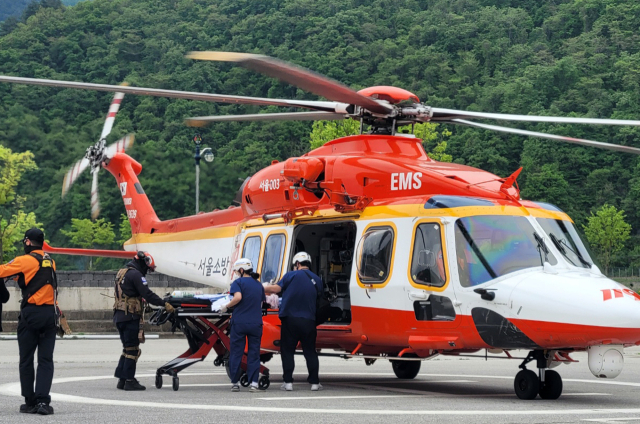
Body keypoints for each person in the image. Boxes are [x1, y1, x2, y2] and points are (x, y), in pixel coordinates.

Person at [0, 228, 57, 415]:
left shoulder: (23, 260)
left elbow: (2, 271)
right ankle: (43, 402)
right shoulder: (50, 261)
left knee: (26, 359)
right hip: (50, 314)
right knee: (45, 359)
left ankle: (30, 401)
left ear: (27, 242)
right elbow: (36, 279)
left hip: (31, 314)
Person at [113, 251, 174, 391]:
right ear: (143, 262)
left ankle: (122, 379)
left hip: (119, 316)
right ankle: (129, 380)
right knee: (133, 349)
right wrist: (164, 304)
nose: (147, 271)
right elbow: (147, 293)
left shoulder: (122, 272)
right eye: (147, 268)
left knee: (127, 348)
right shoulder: (136, 275)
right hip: (130, 317)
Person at [264, 251, 323, 391]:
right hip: (309, 321)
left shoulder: (290, 275)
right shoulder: (317, 279)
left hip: (290, 320)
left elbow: (276, 289)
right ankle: (315, 383)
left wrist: (260, 287)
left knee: (288, 351)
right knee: (310, 352)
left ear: (297, 264)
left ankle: (288, 382)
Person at [220, 258, 265, 392]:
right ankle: (254, 383)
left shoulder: (237, 283)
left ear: (241, 270)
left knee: (236, 353)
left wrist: (226, 306)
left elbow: (238, 297)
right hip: (256, 323)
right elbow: (261, 303)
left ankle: (235, 382)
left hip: (239, 323)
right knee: (254, 353)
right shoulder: (258, 285)